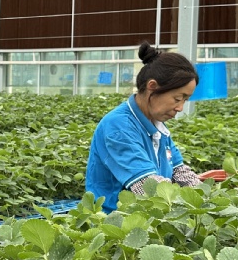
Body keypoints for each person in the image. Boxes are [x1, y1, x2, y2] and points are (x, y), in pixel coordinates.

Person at [85, 43, 205, 212]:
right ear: (152, 87)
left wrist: (207, 199)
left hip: (151, 217)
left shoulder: (156, 125)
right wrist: (190, 205)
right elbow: (147, 185)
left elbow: (179, 171)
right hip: (113, 225)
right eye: (178, 99)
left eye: (185, 100)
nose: (180, 108)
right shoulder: (119, 127)